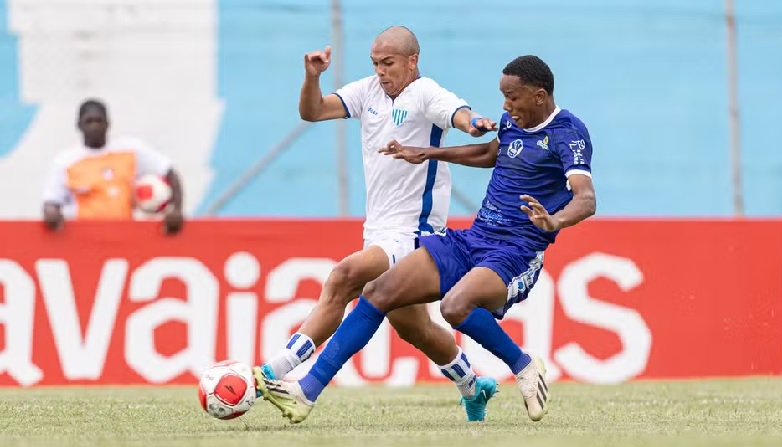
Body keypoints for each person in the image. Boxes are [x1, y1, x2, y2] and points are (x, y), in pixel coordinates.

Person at [258, 55, 597, 424]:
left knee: (454, 307)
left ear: (539, 95)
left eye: (512, 97)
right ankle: (306, 392)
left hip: (515, 251)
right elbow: (488, 153)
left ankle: (525, 366)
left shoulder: (568, 132)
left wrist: (554, 220)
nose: (505, 105)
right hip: (475, 238)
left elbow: (586, 198)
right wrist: (427, 153)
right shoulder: (514, 123)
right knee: (378, 293)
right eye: (503, 96)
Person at [252, 26, 500, 422]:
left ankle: (272, 372)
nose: (381, 71)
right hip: (379, 230)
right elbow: (312, 112)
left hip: (417, 232)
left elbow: (457, 114)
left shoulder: (425, 93)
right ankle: (473, 384)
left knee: (344, 275)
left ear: (412, 60)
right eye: (375, 63)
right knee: (413, 327)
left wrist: (474, 123)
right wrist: (313, 77)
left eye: (388, 63)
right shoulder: (367, 91)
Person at [42, 99, 184, 234]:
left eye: (99, 121)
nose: (94, 126)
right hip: (84, 238)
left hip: (128, 235)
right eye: (89, 121)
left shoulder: (131, 149)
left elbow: (170, 172)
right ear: (79, 125)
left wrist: (176, 210)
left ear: (108, 123)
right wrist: (52, 214)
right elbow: (51, 201)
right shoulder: (66, 161)